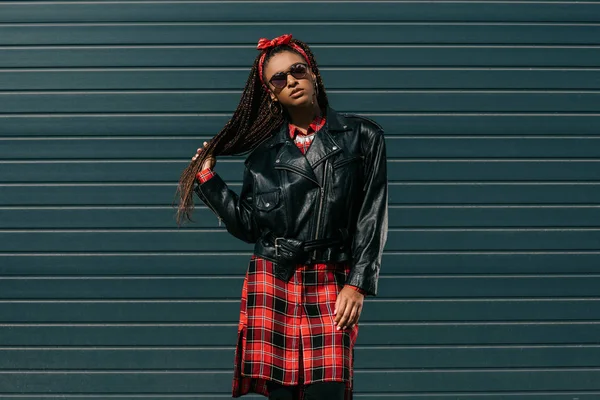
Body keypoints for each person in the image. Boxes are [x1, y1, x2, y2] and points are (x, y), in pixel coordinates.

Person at [176, 34, 388, 400]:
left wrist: (358, 283)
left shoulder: (362, 137)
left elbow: (372, 213)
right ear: (271, 93)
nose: (291, 80)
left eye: (297, 70)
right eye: (279, 78)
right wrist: (208, 180)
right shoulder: (261, 158)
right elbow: (248, 226)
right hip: (274, 279)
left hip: (330, 280)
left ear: (314, 75)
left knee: (329, 390)